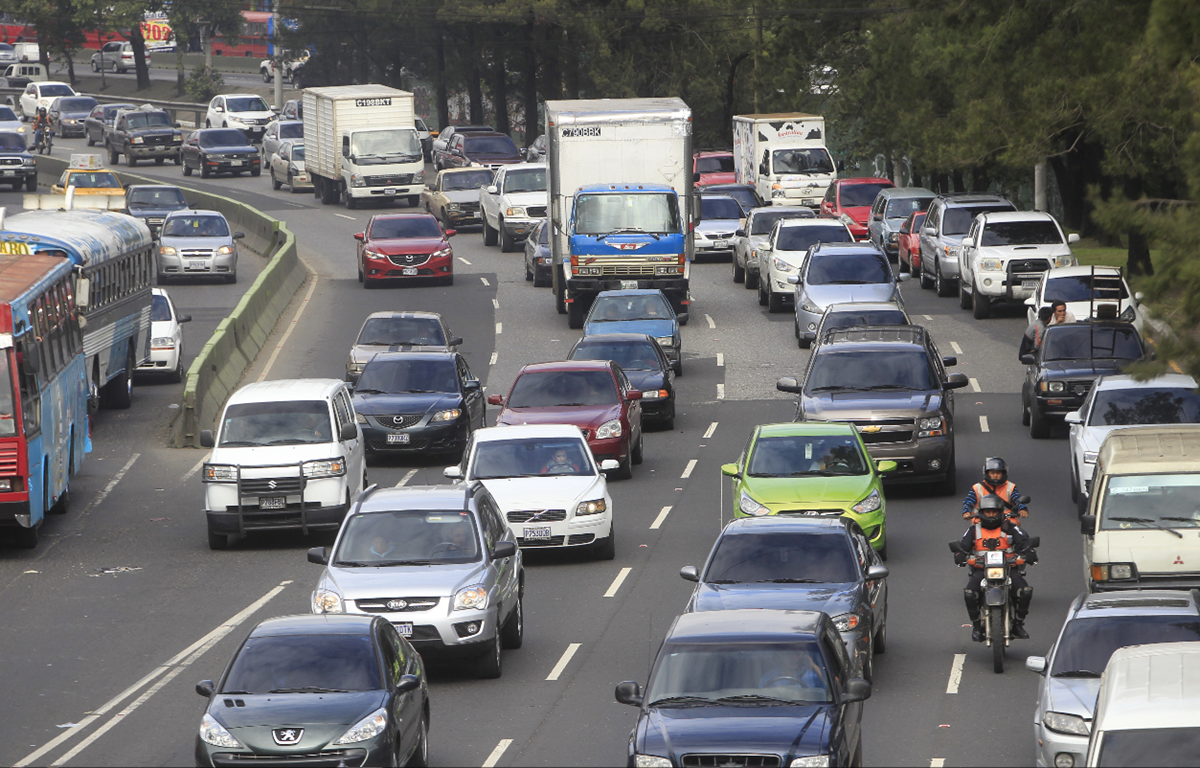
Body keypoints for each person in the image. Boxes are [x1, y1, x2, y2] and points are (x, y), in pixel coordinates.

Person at [959, 495, 1035, 641]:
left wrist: (1029, 552)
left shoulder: (1010, 528)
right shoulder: (973, 530)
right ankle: (976, 626)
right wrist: (960, 555)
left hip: (1008, 569)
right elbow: (963, 547)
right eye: (987, 512)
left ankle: (1018, 624)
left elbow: (1023, 542)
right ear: (981, 512)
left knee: (1024, 591)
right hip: (981, 570)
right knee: (970, 593)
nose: (991, 515)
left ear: (1000, 512)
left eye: (994, 511)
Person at [962, 457, 1028, 520]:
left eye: (998, 473)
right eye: (992, 473)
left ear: (1003, 474)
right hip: (981, 521)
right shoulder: (977, 487)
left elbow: (1017, 498)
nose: (995, 475)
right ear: (987, 473)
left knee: (1018, 531)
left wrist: (1022, 509)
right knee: (971, 532)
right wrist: (966, 511)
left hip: (1006, 520)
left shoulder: (1010, 487)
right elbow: (968, 501)